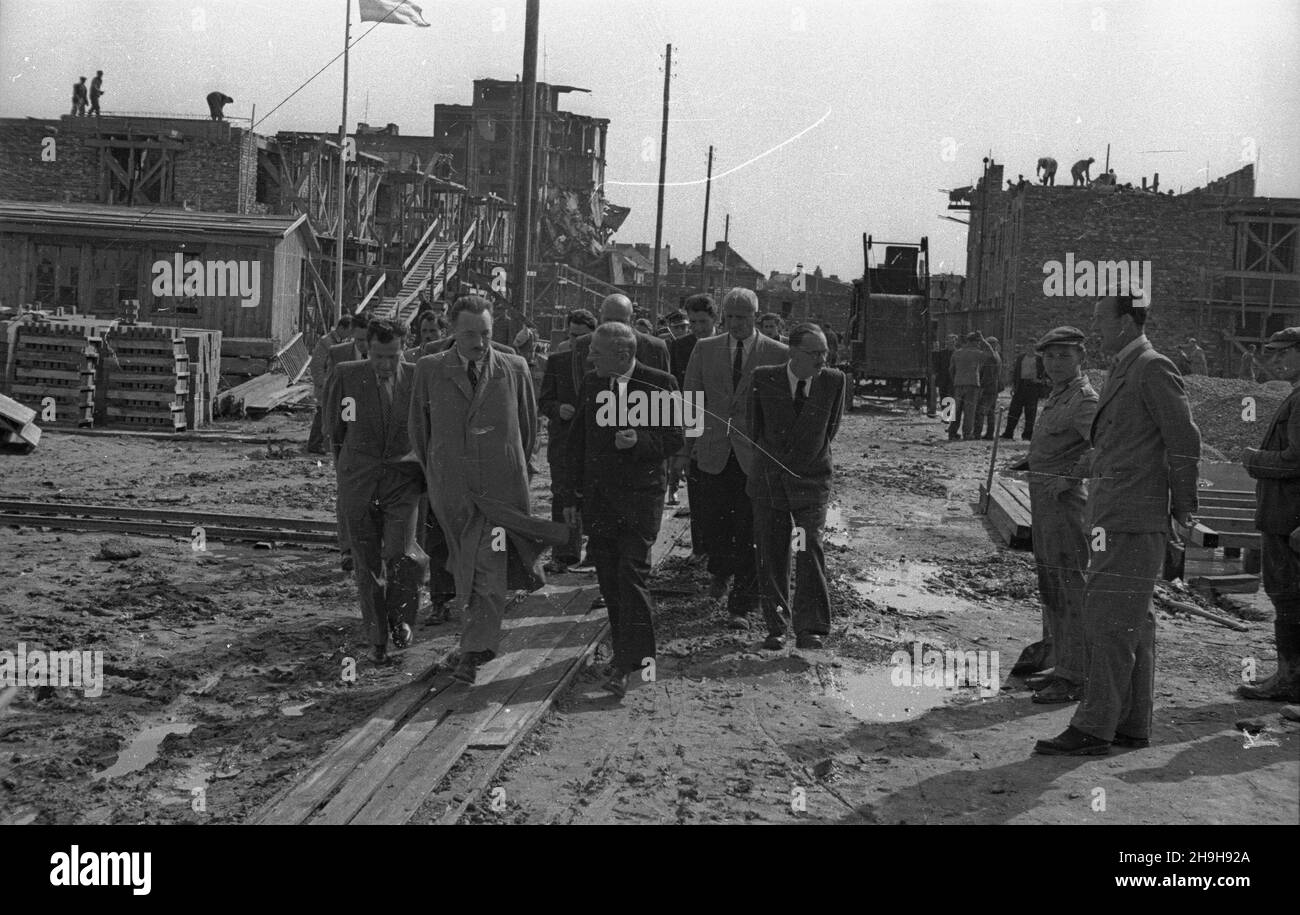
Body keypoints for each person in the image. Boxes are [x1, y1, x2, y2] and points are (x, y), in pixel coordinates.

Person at [1036, 295, 1201, 756]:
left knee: (1109, 622)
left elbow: (1184, 438)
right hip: (1117, 513)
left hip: (1134, 516)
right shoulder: (1126, 368)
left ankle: (1093, 727)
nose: (1095, 332)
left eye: (1100, 322)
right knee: (1133, 623)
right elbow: (1119, 444)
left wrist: (1185, 510)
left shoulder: (1152, 366)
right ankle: (1130, 723)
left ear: (1127, 322)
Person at [408, 296, 567, 685]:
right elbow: (419, 429)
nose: (479, 342)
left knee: (488, 567)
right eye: (469, 334)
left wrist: (515, 470)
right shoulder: (429, 369)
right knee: (466, 567)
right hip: (453, 491)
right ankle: (475, 642)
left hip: (501, 492)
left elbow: (528, 430)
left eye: (486, 334)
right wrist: (438, 475)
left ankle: (473, 651)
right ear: (452, 332)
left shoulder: (513, 368)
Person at [566, 322, 683, 698]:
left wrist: (639, 441)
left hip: (639, 500)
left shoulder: (659, 383)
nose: (589, 358)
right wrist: (569, 495)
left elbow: (675, 437)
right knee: (609, 580)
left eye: (595, 353)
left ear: (622, 355)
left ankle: (633, 662)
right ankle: (625, 654)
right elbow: (577, 442)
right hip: (601, 502)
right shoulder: (592, 383)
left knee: (631, 575)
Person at [678, 287, 788, 629]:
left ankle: (742, 601)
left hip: (753, 456)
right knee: (714, 521)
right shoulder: (705, 348)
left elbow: (780, 409)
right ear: (723, 317)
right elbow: (692, 398)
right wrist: (686, 449)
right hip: (712, 451)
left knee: (750, 526)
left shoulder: (776, 352)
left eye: (744, 317)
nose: (737, 323)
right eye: (731, 317)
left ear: (756, 317)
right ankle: (720, 572)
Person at [323, 318, 426, 665]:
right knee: (367, 567)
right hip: (360, 482)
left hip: (403, 480)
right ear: (367, 348)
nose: (384, 364)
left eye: (392, 357)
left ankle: (403, 620)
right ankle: (378, 640)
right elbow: (335, 431)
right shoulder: (346, 375)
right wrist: (348, 473)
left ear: (404, 349)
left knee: (402, 555)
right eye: (378, 356)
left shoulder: (416, 378)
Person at [1012, 327, 1098, 705]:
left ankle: (1076, 675)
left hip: (1066, 504)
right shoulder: (1058, 395)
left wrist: (1069, 477)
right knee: (1051, 584)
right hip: (1044, 501)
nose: (1055, 362)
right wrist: (1030, 462)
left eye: (1064, 355)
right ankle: (1062, 663)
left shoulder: (1084, 399)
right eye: (1049, 356)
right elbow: (1055, 443)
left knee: (1069, 585)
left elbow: (1103, 447)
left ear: (1081, 358)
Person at [748, 323, 844, 650]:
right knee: (772, 553)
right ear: (793, 352)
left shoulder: (834, 381)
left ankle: (811, 627)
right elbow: (753, 427)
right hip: (770, 481)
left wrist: (805, 462)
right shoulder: (764, 377)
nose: (821, 360)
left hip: (812, 480)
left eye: (824, 354)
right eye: (814, 353)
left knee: (808, 547)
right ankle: (776, 625)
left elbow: (830, 430)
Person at [1239, 327, 1300, 702]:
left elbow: (1296, 459)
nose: (1277, 360)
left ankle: (1290, 680)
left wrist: (1254, 459)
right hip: (1285, 515)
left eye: (1284, 353)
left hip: (1287, 518)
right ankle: (1288, 674)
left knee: (1288, 597)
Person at [538, 308, 597, 571]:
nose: (577, 343)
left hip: (594, 444)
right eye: (573, 336)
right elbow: (544, 401)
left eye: (583, 337)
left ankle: (595, 554)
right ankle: (565, 555)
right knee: (562, 495)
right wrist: (557, 408)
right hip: (563, 441)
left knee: (595, 496)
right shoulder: (558, 362)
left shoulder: (602, 364)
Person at [671, 295, 718, 548]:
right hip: (689, 424)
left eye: (703, 321)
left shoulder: (726, 345)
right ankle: (700, 546)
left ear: (714, 319)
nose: (698, 328)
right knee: (696, 488)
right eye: (693, 322)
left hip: (718, 425)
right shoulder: (679, 348)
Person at [570, 294, 669, 393]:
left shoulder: (655, 348)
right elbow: (582, 394)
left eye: (620, 321)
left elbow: (664, 393)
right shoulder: (583, 345)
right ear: (600, 317)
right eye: (608, 321)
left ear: (633, 318)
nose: (614, 326)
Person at [307, 315, 352, 454]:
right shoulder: (326, 342)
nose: (350, 334)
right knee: (323, 414)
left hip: (340, 385)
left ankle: (339, 443)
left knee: (343, 414)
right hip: (326, 385)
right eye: (348, 330)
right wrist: (322, 384)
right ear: (341, 328)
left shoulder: (346, 342)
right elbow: (316, 365)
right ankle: (314, 444)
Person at [1002, 345, 1047, 440]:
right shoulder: (1021, 358)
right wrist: (1014, 386)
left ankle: (1027, 434)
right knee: (1014, 410)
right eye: (1029, 346)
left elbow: (1045, 374)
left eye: (1032, 347)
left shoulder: (1040, 359)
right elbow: (1016, 372)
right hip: (1021, 385)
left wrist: (1039, 381)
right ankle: (1008, 433)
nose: (1030, 349)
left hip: (1033, 387)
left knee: (1030, 412)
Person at [948, 333, 986, 441]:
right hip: (972, 384)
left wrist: (956, 380)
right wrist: (984, 341)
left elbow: (951, 369)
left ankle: (952, 433)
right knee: (969, 411)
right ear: (975, 342)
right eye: (978, 342)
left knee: (956, 410)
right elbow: (992, 356)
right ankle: (967, 434)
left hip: (958, 384)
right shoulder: (978, 353)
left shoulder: (957, 353)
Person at [976, 336, 1002, 439]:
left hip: (988, 388)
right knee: (991, 412)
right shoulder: (997, 356)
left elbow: (988, 375)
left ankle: (977, 433)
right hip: (994, 387)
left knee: (980, 411)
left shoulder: (991, 358)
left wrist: (982, 387)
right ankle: (990, 434)